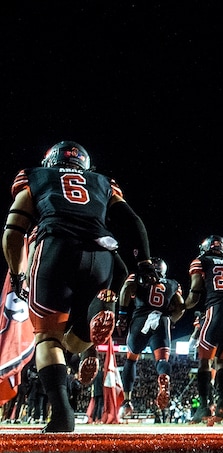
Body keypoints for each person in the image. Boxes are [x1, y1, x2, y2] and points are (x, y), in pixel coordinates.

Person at [2, 141, 156, 432]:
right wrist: (144, 261)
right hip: (103, 254)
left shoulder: (36, 176)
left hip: (55, 248)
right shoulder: (101, 181)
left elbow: (13, 229)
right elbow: (131, 220)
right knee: (72, 340)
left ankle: (62, 415)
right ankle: (93, 321)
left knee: (47, 338)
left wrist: (18, 274)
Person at [184, 235, 223, 425]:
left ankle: (204, 406)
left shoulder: (201, 260)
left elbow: (195, 291)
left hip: (217, 310)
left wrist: (182, 307)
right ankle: (222, 401)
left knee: (205, 362)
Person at [116, 256, 185, 419]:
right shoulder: (173, 283)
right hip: (162, 319)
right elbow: (181, 306)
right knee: (162, 361)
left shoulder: (138, 277)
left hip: (141, 319)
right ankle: (164, 376)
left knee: (131, 359)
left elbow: (126, 289)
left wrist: (122, 315)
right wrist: (171, 321)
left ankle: (127, 400)